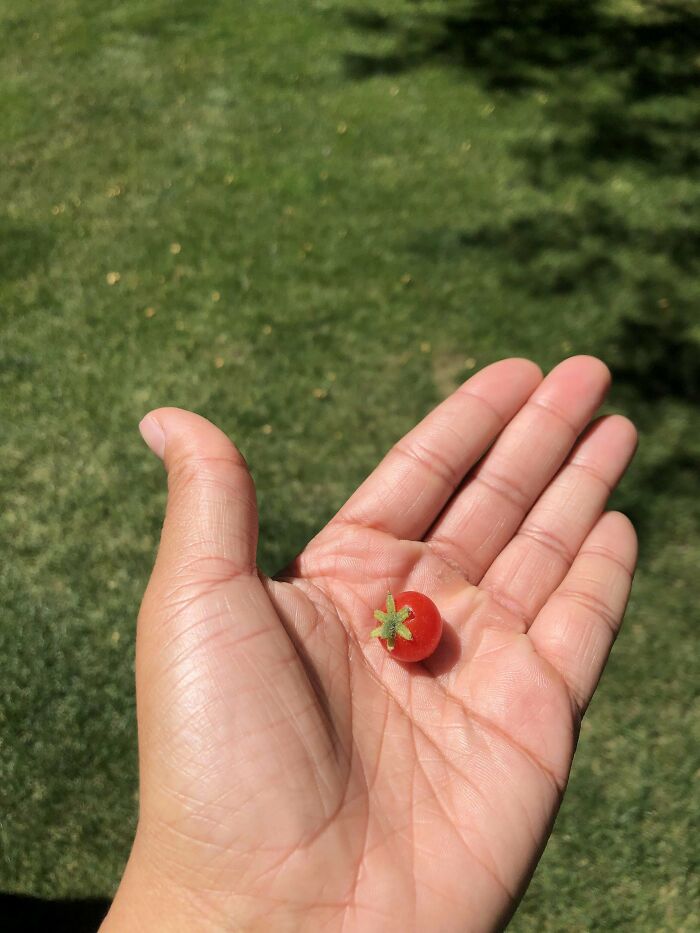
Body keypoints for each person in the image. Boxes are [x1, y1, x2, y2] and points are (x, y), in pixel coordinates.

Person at [100, 356, 637, 932]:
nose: (396, 629)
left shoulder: (406, 625)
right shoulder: (408, 625)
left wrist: (227, 902)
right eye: (394, 628)